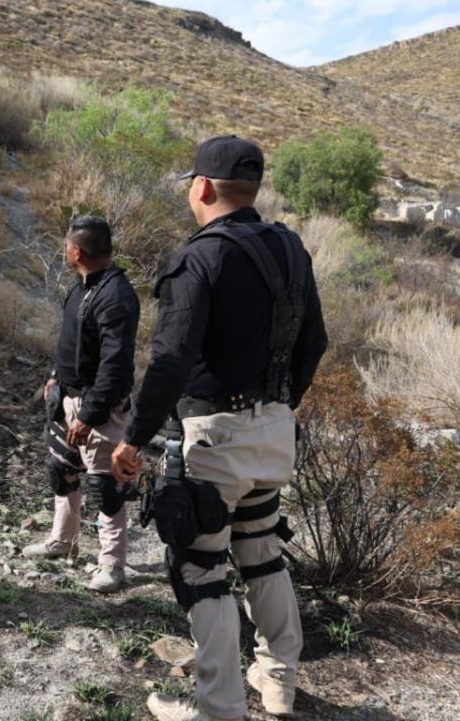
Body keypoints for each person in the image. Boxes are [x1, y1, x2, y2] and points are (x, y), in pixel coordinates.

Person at [111, 136, 328, 721]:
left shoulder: (199, 257)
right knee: (261, 553)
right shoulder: (291, 248)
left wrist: (134, 438)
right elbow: (315, 342)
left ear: (203, 187)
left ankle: (218, 708)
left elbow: (170, 360)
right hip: (273, 433)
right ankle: (278, 684)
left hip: (214, 438)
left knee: (200, 570)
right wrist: (280, 406)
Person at [24, 216, 140, 593]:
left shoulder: (116, 296)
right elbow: (73, 341)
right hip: (67, 399)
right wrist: (55, 376)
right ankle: (64, 541)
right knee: (61, 470)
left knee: (106, 486)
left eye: (66, 245)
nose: (65, 251)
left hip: (100, 409)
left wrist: (90, 414)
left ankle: (112, 565)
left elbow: (115, 365)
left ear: (77, 251)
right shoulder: (82, 288)